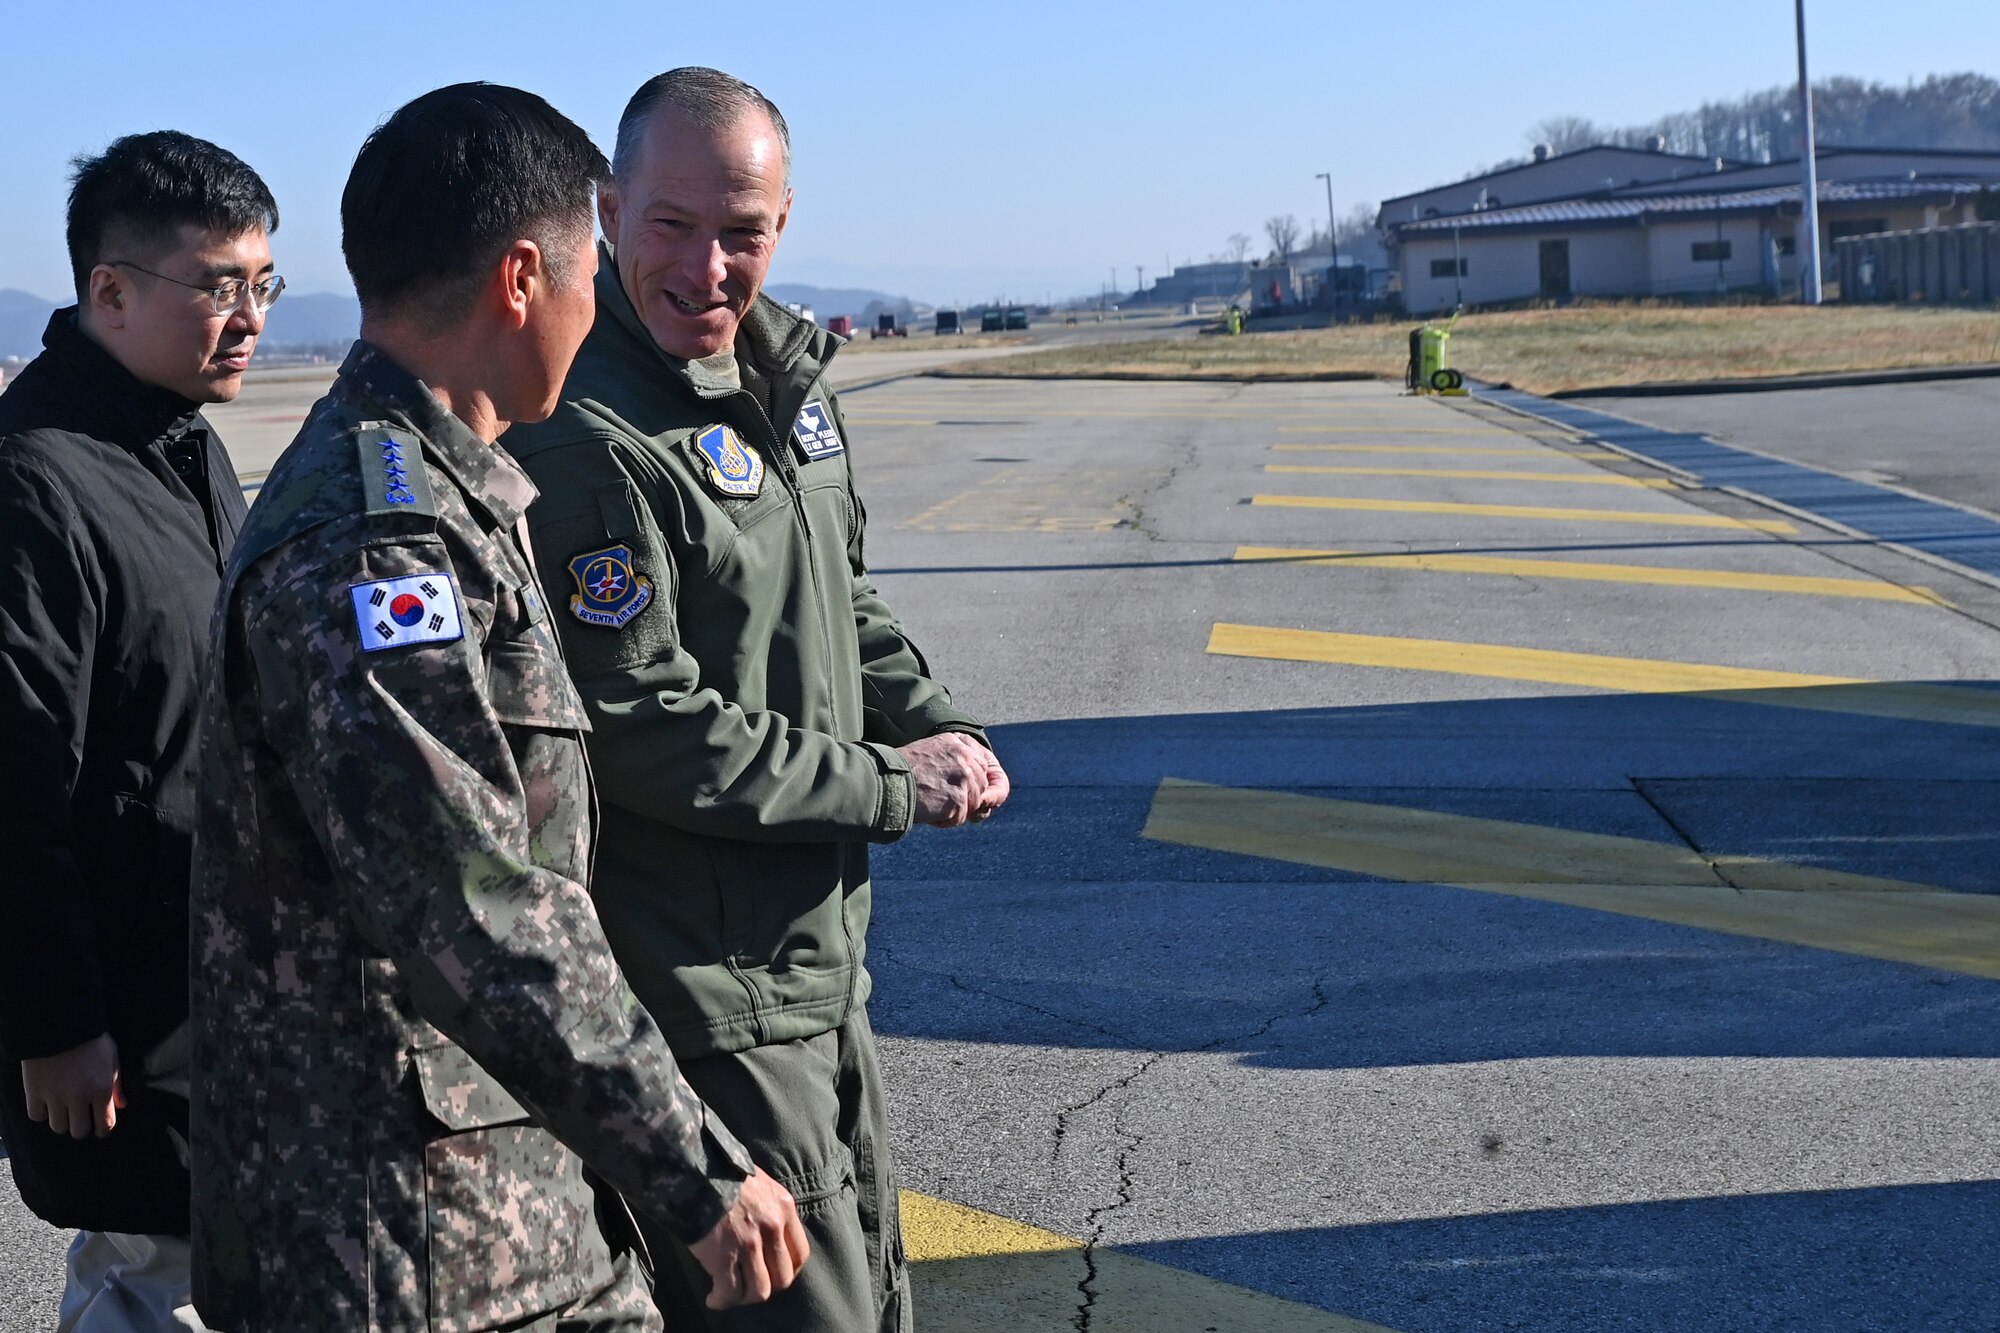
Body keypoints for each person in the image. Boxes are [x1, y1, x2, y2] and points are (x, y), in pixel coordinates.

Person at [188, 83, 807, 1332]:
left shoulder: (446, 496)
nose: (601, 305)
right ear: (522, 278)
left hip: (501, 1208)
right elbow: (469, 895)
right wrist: (690, 1166)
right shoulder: (377, 541)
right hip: (407, 1247)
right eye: (592, 270)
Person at [507, 67, 1009, 1332]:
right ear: (608, 213)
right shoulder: (585, 433)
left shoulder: (786, 384)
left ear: (785, 222)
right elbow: (646, 728)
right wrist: (895, 785)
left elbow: (843, 599)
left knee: (867, 1289)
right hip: (699, 978)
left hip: (812, 955)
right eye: (671, 226)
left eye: (742, 231)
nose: (708, 266)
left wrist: (930, 718)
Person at [0, 130, 277, 1332]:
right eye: (217, 285)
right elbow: (12, 786)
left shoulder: (180, 447)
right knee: (152, 1287)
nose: (249, 315)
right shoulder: (37, 481)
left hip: (214, 997)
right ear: (108, 290)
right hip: (120, 1026)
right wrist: (55, 1025)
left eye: (262, 283)